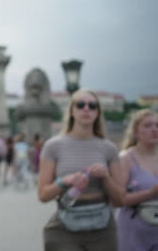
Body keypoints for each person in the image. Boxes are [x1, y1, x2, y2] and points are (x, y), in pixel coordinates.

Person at [38, 89, 124, 251]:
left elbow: (120, 200)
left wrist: (106, 177)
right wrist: (64, 181)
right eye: (80, 105)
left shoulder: (109, 148)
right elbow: (43, 195)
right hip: (64, 227)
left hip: (102, 229)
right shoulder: (53, 146)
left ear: (98, 112)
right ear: (71, 111)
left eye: (92, 105)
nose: (86, 109)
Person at [115, 109, 158, 251]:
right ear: (135, 132)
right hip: (133, 232)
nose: (154, 129)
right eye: (148, 125)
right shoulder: (126, 158)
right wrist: (151, 192)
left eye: (157, 125)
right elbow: (118, 199)